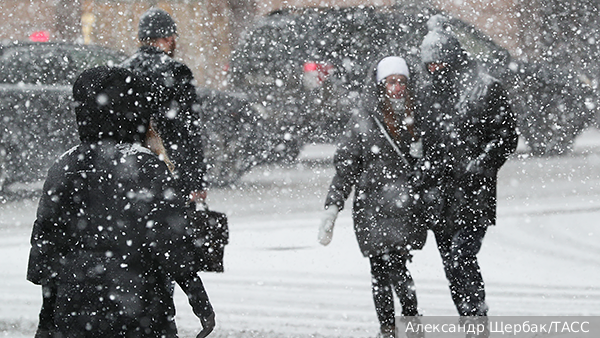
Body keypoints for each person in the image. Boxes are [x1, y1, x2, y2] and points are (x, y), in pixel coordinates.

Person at [26, 66, 215, 338]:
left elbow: (48, 249)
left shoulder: (65, 167)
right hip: (142, 310)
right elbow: (170, 243)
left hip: (75, 311)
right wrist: (199, 301)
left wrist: (46, 319)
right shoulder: (147, 168)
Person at [417, 14, 518, 325]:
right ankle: (470, 319)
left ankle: (476, 319)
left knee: (461, 257)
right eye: (428, 64)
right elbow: (419, 140)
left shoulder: (485, 88)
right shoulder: (426, 94)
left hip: (474, 193)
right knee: (452, 264)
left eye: (438, 62)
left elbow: (506, 135)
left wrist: (482, 164)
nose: (434, 69)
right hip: (440, 194)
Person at [318, 56, 427, 338]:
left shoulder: (418, 117)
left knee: (396, 267)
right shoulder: (365, 122)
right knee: (380, 270)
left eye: (402, 81)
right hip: (373, 209)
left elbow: (433, 162)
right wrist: (333, 206)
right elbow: (346, 167)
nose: (397, 87)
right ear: (380, 85)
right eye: (391, 81)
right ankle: (389, 328)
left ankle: (409, 323)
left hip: (404, 207)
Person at [121, 7, 207, 203]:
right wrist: (197, 181)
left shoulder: (124, 71)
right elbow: (189, 128)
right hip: (171, 167)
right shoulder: (177, 72)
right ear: (168, 38)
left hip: (133, 167)